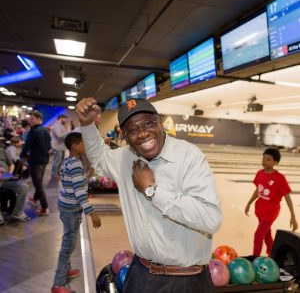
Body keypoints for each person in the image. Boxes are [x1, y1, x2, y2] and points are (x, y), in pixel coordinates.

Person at [76, 97, 222, 293]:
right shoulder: (124, 158)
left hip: (185, 280)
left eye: (148, 124)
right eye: (133, 130)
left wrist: (153, 191)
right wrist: (87, 124)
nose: (143, 133)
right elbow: (99, 157)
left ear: (159, 123)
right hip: (140, 272)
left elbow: (211, 218)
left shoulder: (188, 156)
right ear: (125, 137)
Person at [52, 132, 101, 293]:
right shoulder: (76, 164)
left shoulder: (69, 161)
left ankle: (66, 270)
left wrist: (88, 175)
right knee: (68, 245)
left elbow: (72, 182)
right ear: (75, 146)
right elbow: (79, 193)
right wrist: (92, 212)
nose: (85, 146)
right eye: (83, 143)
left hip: (65, 205)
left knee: (69, 239)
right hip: (71, 209)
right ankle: (58, 284)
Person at [245, 147, 298, 257]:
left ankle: (255, 258)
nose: (264, 161)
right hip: (260, 209)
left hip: (271, 212)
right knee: (267, 235)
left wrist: (293, 216)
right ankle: (272, 254)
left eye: (268, 159)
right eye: (263, 158)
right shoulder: (260, 173)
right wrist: (249, 203)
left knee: (258, 235)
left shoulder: (279, 178)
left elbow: (288, 198)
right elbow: (258, 190)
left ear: (276, 162)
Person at [20, 111, 51, 216]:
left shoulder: (33, 131)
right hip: (45, 160)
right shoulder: (46, 130)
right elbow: (49, 147)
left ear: (39, 119)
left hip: (35, 161)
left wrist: (22, 157)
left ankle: (45, 208)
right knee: (39, 182)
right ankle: (34, 198)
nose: (30, 121)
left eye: (32, 119)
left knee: (38, 185)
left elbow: (26, 145)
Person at [0, 147, 30, 222]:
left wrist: (9, 174)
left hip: (6, 178)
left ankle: (17, 212)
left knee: (24, 187)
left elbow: (11, 165)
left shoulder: (2, 150)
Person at [49, 114, 69, 185]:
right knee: (56, 162)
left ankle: (57, 175)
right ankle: (53, 176)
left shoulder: (62, 126)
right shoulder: (57, 125)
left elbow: (64, 135)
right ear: (61, 118)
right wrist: (68, 131)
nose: (66, 121)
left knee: (60, 162)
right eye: (65, 119)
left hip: (62, 147)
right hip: (57, 147)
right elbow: (60, 135)